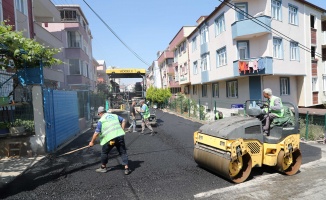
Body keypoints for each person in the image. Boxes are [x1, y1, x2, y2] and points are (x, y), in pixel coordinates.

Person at [88, 106, 131, 175]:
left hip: (111, 140)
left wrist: (92, 142)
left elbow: (96, 133)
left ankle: (103, 167)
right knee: (123, 152)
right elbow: (123, 120)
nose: (99, 116)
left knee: (104, 152)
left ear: (100, 113)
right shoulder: (114, 115)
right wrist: (122, 129)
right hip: (120, 137)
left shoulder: (101, 121)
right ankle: (126, 168)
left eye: (98, 114)